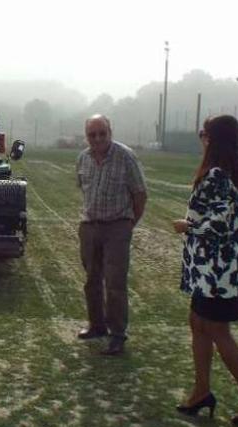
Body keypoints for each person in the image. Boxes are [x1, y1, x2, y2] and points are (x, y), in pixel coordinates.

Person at [172, 115, 238, 427]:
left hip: (218, 270)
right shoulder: (235, 170)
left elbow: (221, 223)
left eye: (204, 133)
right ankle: (201, 391)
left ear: (214, 139)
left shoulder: (219, 173)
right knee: (198, 322)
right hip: (217, 268)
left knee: (217, 330)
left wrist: (189, 226)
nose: (201, 138)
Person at [76, 115, 147, 355]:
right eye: (92, 134)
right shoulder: (83, 158)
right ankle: (97, 326)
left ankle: (117, 334)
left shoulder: (125, 156)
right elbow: (83, 189)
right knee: (92, 280)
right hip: (89, 226)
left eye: (102, 133)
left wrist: (128, 224)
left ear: (110, 131)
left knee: (115, 283)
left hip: (117, 226)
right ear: (87, 136)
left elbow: (140, 194)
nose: (97, 139)